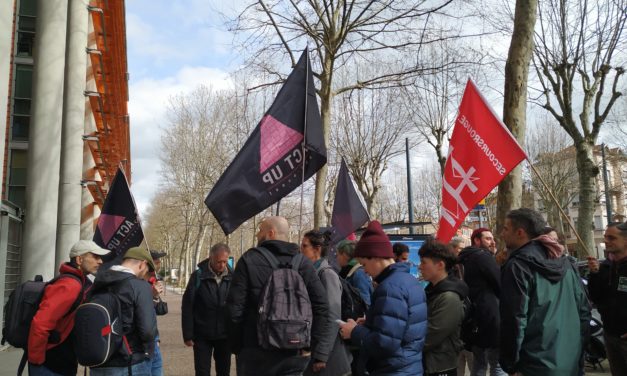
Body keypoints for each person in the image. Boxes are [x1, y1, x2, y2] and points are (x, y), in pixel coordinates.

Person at [226, 216, 329, 376]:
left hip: (255, 351)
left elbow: (234, 309)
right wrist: (309, 345)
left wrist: (239, 347)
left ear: (270, 233)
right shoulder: (303, 263)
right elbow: (322, 306)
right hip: (294, 351)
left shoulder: (249, 259)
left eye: (260, 231)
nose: (257, 235)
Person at [499, 208, 590, 376]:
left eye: (505, 228)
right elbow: (584, 312)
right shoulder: (566, 263)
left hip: (534, 364)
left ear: (520, 232)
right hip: (570, 361)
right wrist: (579, 353)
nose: (501, 233)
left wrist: (510, 363)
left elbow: (514, 319)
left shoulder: (518, 266)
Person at [339, 220, 427, 375]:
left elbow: (384, 343)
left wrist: (354, 332)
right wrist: (372, 322)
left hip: (393, 369)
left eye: (364, 264)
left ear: (375, 257)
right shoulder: (408, 280)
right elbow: (401, 326)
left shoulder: (389, 287)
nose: (365, 271)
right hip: (408, 366)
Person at [28, 240, 110, 376]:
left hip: (59, 362)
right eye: (95, 257)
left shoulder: (77, 282)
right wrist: (36, 360)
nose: (100, 261)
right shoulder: (69, 286)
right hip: (51, 364)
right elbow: (41, 323)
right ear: (79, 259)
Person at [90, 247, 158, 376]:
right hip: (130, 361)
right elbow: (147, 330)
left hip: (99, 359)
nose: (144, 275)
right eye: (147, 270)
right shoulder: (139, 286)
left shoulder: (98, 283)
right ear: (142, 264)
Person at [301, 230, 352, 376]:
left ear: (316, 249)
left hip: (330, 362)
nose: (301, 250)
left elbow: (332, 316)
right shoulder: (312, 273)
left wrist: (322, 354)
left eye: (305, 246)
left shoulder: (326, 275)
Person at [182, 243, 233, 376]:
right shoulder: (197, 276)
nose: (221, 265)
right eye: (218, 261)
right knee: (202, 371)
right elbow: (187, 306)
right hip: (202, 335)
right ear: (211, 257)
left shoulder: (234, 277)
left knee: (224, 371)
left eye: (224, 261)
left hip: (225, 335)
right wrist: (187, 334)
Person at [419, 241, 468, 376]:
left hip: (440, 366)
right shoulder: (433, 291)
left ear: (440, 265)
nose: (419, 267)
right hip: (430, 364)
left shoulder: (449, 297)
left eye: (424, 262)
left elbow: (431, 335)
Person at [458, 238, 505, 376]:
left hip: (473, 318)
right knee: (497, 364)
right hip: (491, 317)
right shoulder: (482, 257)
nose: (493, 242)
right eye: (488, 238)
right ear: (477, 241)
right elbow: (500, 285)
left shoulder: (464, 259)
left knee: (479, 363)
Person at [587, 221, 627, 375]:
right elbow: (596, 298)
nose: (606, 241)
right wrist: (595, 274)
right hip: (610, 335)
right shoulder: (606, 266)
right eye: (605, 237)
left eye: (612, 238)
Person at [148, 250, 168, 376]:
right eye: (157, 261)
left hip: (153, 336)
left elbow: (160, 310)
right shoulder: (142, 282)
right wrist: (153, 296)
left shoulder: (153, 280)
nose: (159, 263)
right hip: (147, 339)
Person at [336, 239, 373, 306]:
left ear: (344, 255)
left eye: (338, 255)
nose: (337, 258)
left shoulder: (359, 273)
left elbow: (365, 302)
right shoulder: (348, 272)